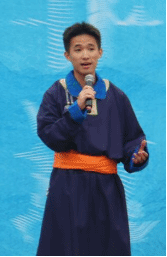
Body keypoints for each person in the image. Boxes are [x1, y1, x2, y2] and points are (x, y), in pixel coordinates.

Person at [36, 22, 149, 256]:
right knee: (65, 248)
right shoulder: (56, 93)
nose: (85, 55)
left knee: (108, 248)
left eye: (90, 48)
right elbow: (49, 136)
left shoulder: (116, 96)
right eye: (77, 49)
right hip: (67, 186)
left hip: (106, 189)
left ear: (100, 52)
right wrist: (75, 111)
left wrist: (136, 157)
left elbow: (132, 139)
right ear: (67, 55)